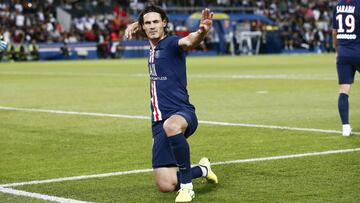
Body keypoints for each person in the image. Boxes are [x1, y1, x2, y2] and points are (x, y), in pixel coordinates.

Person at [125, 5, 218, 202]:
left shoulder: (172, 43)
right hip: (158, 122)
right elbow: (148, 31)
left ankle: (187, 187)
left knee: (172, 125)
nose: (152, 26)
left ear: (164, 23)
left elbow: (189, 41)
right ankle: (202, 169)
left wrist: (201, 32)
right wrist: (136, 24)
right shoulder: (152, 46)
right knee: (165, 185)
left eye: (156, 22)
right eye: (148, 23)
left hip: (181, 113)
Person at [332, 0, 360, 136]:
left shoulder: (337, 7)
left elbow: (334, 32)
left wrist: (337, 49)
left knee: (344, 91)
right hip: (358, 50)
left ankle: (345, 127)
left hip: (343, 52)